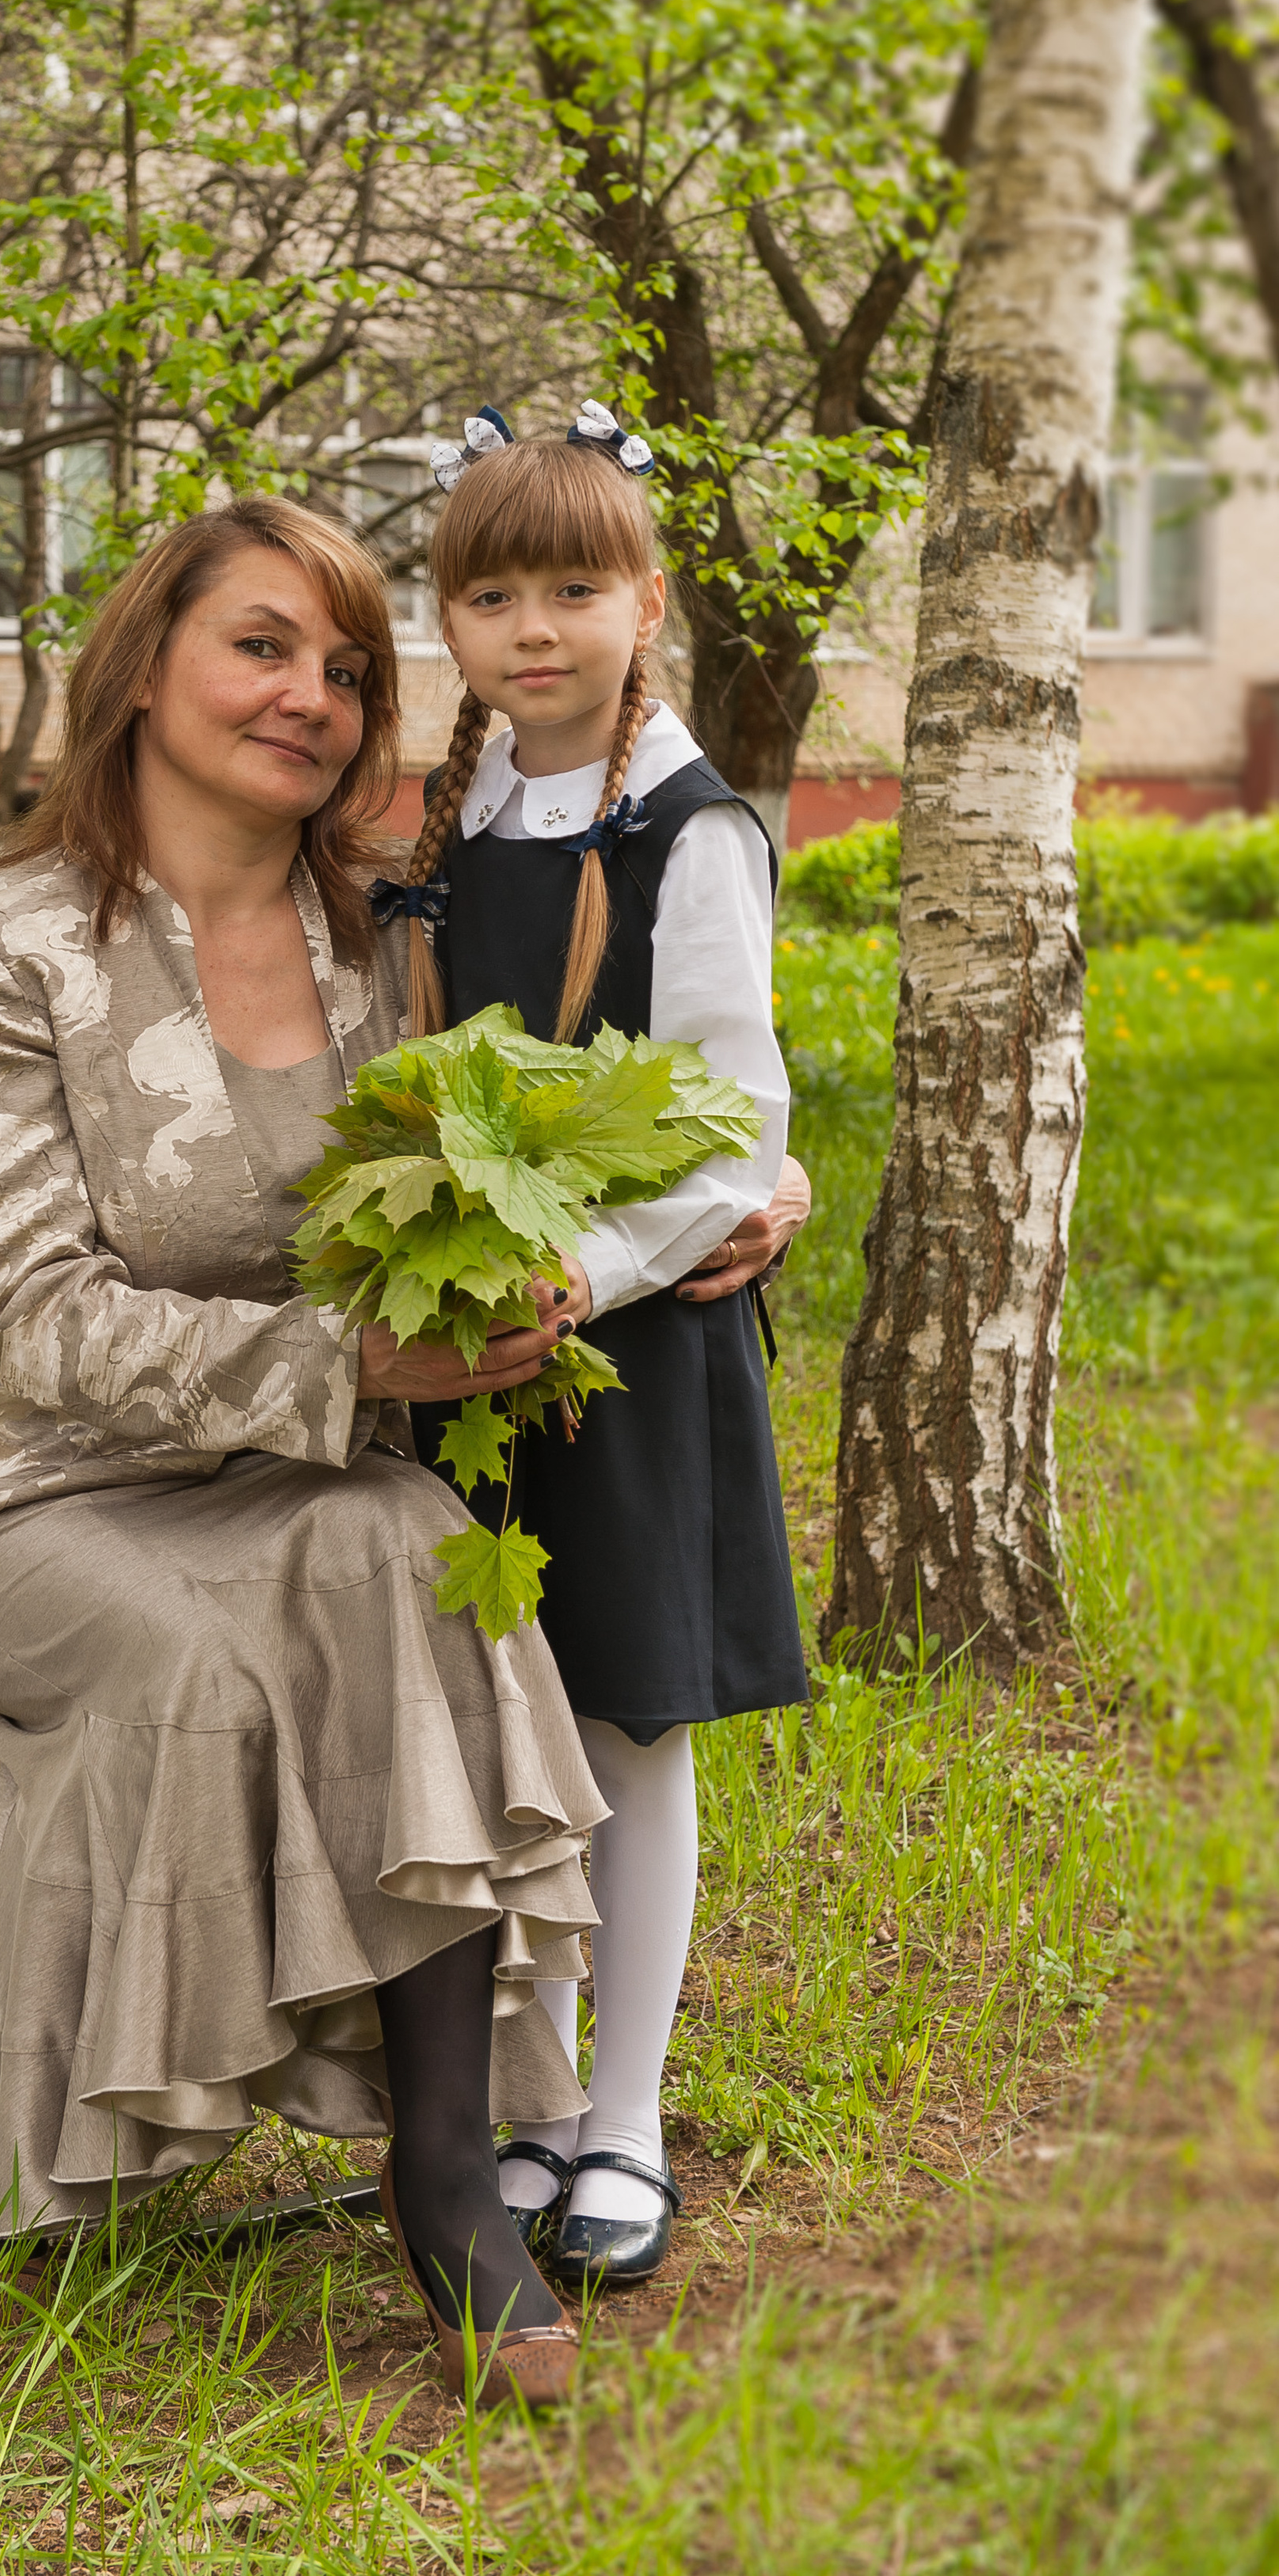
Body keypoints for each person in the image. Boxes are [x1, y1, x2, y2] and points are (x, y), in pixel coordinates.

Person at [0, 495, 607, 2407]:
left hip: (268, 1468)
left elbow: (477, 1158)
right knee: (182, 1665)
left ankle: (443, 2186)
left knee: (410, 1554)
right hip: (14, 1489)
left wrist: (636, 1227)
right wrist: (352, 1369)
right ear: (145, 668)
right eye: (263, 645)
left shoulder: (375, 946)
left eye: (347, 668)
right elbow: (29, 1313)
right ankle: (15, 2177)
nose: (312, 699)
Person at [394, 404, 811, 2291]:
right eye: (490, 594)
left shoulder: (682, 832)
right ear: (449, 624)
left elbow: (728, 1118)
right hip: (458, 1357)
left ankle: (625, 2116)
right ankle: (532, 2097)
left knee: (625, 1726)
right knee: (491, 1725)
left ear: (643, 604)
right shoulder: (442, 820)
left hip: (612, 1350)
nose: (532, 628)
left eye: (573, 587)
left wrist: (570, 1270)